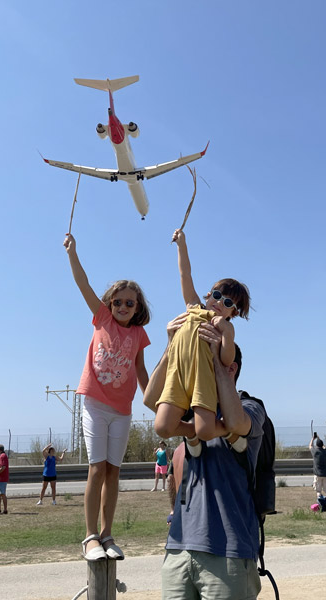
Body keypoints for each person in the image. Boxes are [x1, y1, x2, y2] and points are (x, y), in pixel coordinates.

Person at [144, 314, 265, 599]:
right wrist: (171, 346)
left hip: (229, 551)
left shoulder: (252, 407)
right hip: (179, 548)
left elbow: (236, 423)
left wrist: (216, 364)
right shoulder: (196, 409)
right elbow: (151, 400)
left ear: (231, 367)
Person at [63, 233, 150, 561]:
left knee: (114, 471)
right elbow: (83, 282)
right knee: (96, 468)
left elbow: (142, 372)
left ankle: (107, 534)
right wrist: (73, 253)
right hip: (95, 404)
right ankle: (90, 538)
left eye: (130, 302)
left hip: (122, 410)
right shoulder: (101, 319)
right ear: (109, 304)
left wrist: (155, 402)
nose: (124, 307)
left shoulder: (139, 334)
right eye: (118, 302)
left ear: (138, 306)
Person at [154, 229, 250, 456]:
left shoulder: (225, 327)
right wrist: (182, 245)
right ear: (208, 295)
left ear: (232, 313)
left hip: (203, 379)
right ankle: (190, 433)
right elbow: (185, 275)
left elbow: (227, 360)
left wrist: (226, 333)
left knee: (206, 430)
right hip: (178, 375)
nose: (219, 303)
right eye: (216, 296)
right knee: (162, 427)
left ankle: (228, 432)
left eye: (227, 302)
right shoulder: (194, 308)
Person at [309, 433, 326, 511]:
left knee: (318, 491)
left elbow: (310, 446)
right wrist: (319, 438)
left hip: (318, 474)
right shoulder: (325, 452)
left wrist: (313, 439)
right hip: (325, 474)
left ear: (316, 445)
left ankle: (321, 506)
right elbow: (324, 447)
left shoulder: (315, 451)